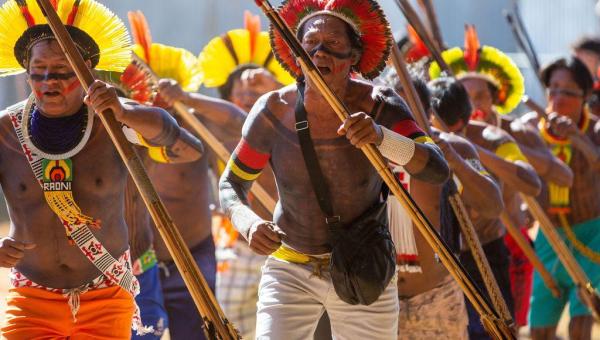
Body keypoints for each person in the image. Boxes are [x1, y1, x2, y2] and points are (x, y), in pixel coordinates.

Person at [219, 0, 449, 338]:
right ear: (296, 53)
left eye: (334, 44)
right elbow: (231, 185)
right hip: (289, 266)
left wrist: (381, 137)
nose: (319, 53)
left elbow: (436, 168)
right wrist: (248, 223)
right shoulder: (273, 110)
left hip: (364, 266)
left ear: (354, 55)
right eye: (309, 44)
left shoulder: (378, 104)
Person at [0, 1, 203, 339]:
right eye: (39, 70)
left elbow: (188, 150)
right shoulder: (6, 132)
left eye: (63, 70)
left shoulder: (114, 123)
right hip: (31, 296)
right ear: (26, 70)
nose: (50, 81)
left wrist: (123, 112)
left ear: (87, 69)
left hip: (107, 293)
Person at [156, 12, 293, 339]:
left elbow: (238, 119)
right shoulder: (212, 129)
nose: (247, 99)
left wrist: (186, 97)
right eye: (239, 92)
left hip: (288, 239)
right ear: (228, 95)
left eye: (254, 91)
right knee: (230, 324)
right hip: (240, 241)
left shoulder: (286, 124)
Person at [387, 72, 503, 340]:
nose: (400, 123)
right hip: (378, 299)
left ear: (429, 114)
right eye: (392, 113)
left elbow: (492, 206)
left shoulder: (452, 148)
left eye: (409, 114)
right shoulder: (368, 145)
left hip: (438, 296)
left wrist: (453, 162)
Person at [521, 56, 600, 340]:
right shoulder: (530, 128)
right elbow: (518, 173)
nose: (558, 98)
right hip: (549, 236)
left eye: (568, 91)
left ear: (586, 96)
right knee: (539, 328)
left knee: (581, 324)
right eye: (553, 89)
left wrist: (576, 137)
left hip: (592, 237)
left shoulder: (595, 129)